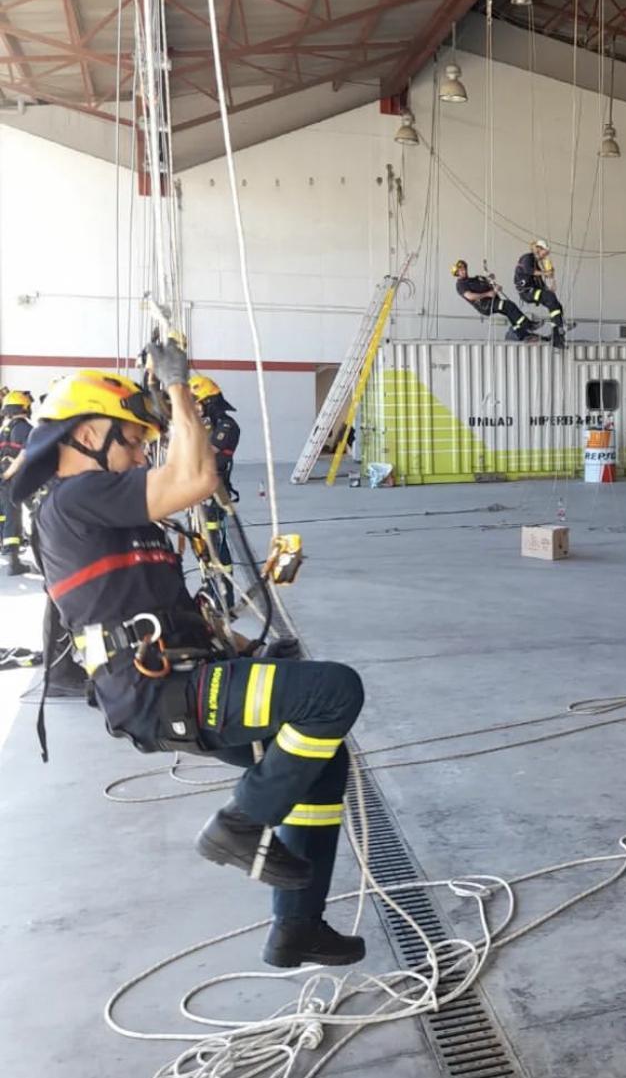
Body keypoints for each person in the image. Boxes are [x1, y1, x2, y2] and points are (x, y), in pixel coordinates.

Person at [10, 353, 367, 969]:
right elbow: (197, 476)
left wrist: (248, 650)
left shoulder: (119, 516)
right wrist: (178, 387)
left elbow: (171, 615)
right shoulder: (73, 499)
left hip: (181, 678)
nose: (142, 454)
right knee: (335, 692)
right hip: (157, 692)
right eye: (132, 440)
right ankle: (239, 824)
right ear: (88, 434)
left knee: (320, 762)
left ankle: (297, 929)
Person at [189, 375, 241, 611]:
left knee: (216, 544)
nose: (196, 409)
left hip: (215, 495)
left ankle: (224, 593)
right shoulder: (204, 427)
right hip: (198, 494)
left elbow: (205, 455)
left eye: (198, 403)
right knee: (201, 544)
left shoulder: (227, 427)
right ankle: (209, 588)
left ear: (209, 402)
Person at [454, 260, 539, 341]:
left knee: (509, 311)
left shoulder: (474, 279)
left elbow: (486, 282)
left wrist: (492, 282)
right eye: (461, 270)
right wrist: (488, 294)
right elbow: (470, 296)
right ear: (457, 273)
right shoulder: (461, 284)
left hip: (492, 301)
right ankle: (529, 325)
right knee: (508, 305)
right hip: (486, 305)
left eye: (464, 269)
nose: (464, 271)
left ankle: (522, 335)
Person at [0, 389, 34, 575]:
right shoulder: (24, 428)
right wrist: (9, 474)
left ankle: (10, 556)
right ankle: (14, 563)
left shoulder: (3, 429)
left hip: (3, 479)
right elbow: (26, 452)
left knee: (5, 515)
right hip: (14, 478)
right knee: (17, 516)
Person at [514, 239, 566, 348]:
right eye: (545, 252)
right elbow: (529, 271)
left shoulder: (537, 264)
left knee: (556, 303)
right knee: (550, 298)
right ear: (538, 249)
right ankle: (558, 329)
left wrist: (548, 288)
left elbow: (539, 282)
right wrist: (545, 272)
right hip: (527, 291)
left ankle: (557, 331)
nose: (546, 255)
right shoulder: (527, 258)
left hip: (534, 291)